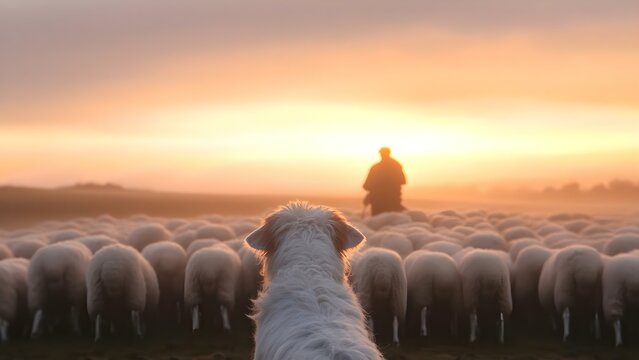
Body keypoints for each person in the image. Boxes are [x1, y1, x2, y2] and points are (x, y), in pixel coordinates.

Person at [363, 147, 406, 216]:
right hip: (392, 200)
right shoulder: (396, 165)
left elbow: (366, 186)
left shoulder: (375, 167)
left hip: (379, 202)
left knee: (379, 222)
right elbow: (403, 181)